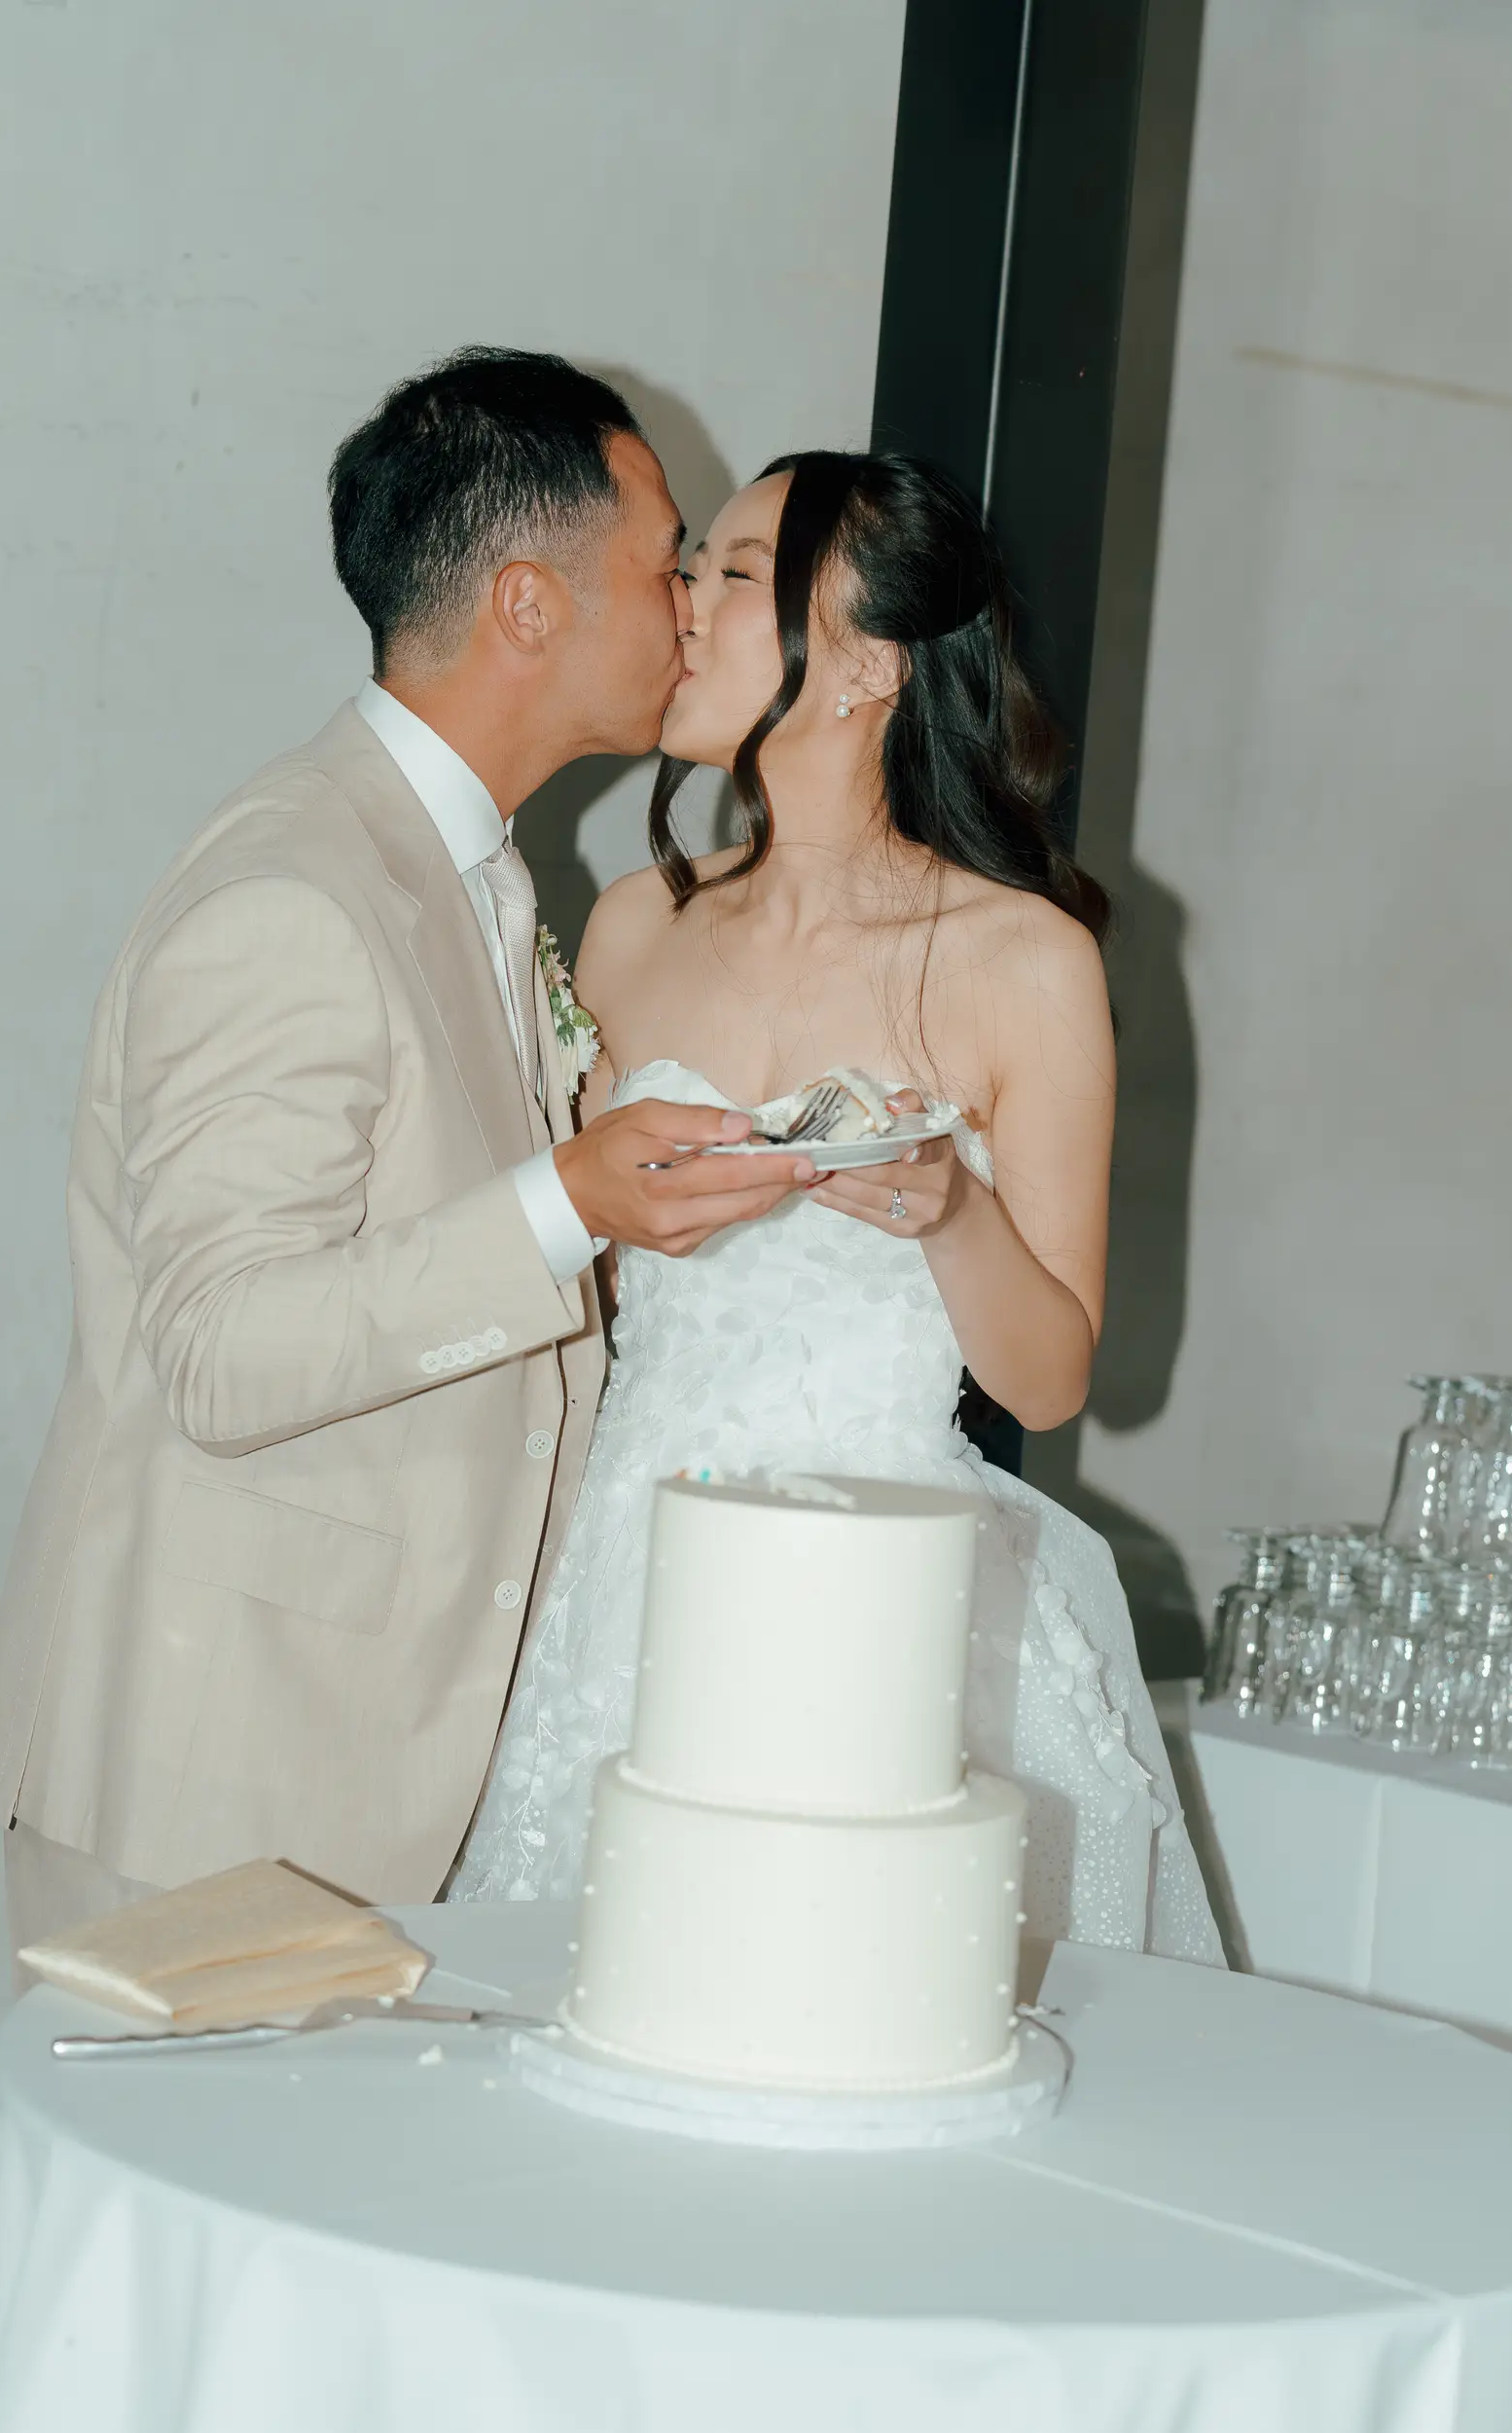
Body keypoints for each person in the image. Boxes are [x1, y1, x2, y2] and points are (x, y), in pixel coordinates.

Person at [0, 347, 815, 1957]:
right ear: (526, 603)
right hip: (215, 1782)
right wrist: (564, 1202)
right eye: (665, 563)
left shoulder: (460, 866)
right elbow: (220, 1349)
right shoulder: (294, 891)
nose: (690, 610)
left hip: (366, 1765)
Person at [452, 450, 1223, 1963]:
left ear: (869, 662)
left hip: (876, 1596)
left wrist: (950, 1212)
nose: (684, 602)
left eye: (737, 573)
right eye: (695, 565)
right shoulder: (634, 922)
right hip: (619, 1570)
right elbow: (572, 1287)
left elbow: (1048, 1379)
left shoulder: (1021, 960)